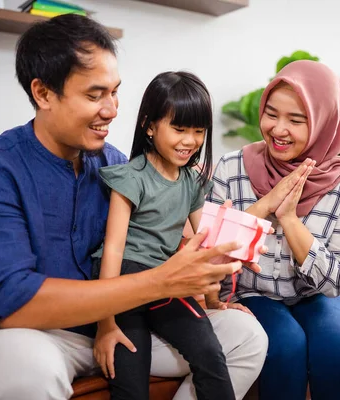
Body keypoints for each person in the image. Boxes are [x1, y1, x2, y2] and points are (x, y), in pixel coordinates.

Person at [0, 14, 267, 400]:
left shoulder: (120, 167)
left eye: (115, 92)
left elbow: (172, 236)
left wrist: (218, 255)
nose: (113, 109)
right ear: (43, 93)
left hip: (119, 325)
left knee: (245, 336)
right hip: (18, 334)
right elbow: (13, 304)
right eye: (95, 95)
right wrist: (161, 280)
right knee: (28, 373)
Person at [207, 60, 340, 400]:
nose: (278, 129)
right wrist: (264, 208)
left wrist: (291, 220)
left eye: (296, 120)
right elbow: (211, 252)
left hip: (321, 295)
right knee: (285, 349)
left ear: (325, 122)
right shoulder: (233, 168)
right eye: (271, 114)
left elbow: (339, 281)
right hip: (254, 293)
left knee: (336, 351)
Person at [91, 71, 253, 400]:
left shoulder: (192, 183)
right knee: (130, 385)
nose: (190, 141)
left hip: (165, 281)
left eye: (198, 131)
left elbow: (205, 245)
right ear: (150, 126)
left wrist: (215, 301)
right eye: (179, 129)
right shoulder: (131, 177)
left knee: (210, 354)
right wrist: (105, 323)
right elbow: (113, 250)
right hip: (123, 280)